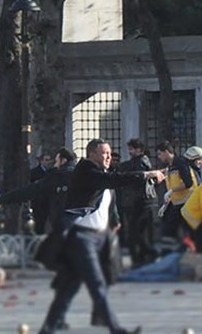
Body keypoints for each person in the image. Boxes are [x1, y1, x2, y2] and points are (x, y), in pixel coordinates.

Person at [38, 139, 164, 334]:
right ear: (91, 154)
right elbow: (114, 181)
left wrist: (113, 222)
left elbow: (109, 197)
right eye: (103, 153)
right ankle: (116, 329)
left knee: (68, 287)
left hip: (97, 238)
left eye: (109, 152)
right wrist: (147, 174)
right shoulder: (86, 170)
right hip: (81, 237)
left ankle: (48, 329)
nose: (107, 156)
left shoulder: (103, 174)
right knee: (96, 283)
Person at [0, 147, 77, 235]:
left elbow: (27, 192)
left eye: (57, 161)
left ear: (64, 161)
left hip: (60, 223)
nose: (55, 165)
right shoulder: (81, 176)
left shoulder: (55, 177)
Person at [119, 139, 158, 267]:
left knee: (137, 233)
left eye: (132, 149)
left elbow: (136, 175)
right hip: (141, 202)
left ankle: (144, 257)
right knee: (139, 233)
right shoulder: (138, 162)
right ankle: (142, 257)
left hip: (142, 202)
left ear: (139, 150)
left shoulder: (141, 161)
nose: (130, 152)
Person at [155, 142, 196, 248]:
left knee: (172, 230)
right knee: (172, 229)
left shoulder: (180, 163)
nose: (159, 157)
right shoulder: (171, 166)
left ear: (166, 152)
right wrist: (165, 205)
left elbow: (188, 183)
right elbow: (173, 184)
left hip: (187, 202)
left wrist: (171, 191)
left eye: (160, 154)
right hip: (178, 203)